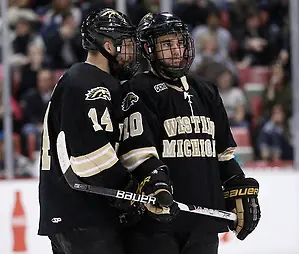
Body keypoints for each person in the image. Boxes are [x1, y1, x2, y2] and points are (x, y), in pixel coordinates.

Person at [118, 12, 261, 254]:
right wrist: (155, 186)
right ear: (148, 49)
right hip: (156, 225)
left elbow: (223, 157)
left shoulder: (206, 90)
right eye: (166, 44)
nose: (176, 50)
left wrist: (239, 186)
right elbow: (137, 153)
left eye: (179, 43)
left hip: (203, 223)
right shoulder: (138, 89)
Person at [38, 8, 140, 254]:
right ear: (108, 45)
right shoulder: (88, 81)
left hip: (71, 212)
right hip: (84, 213)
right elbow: (91, 154)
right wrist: (131, 191)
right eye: (124, 44)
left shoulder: (79, 79)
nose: (129, 52)